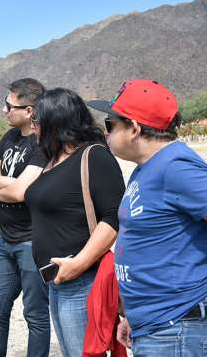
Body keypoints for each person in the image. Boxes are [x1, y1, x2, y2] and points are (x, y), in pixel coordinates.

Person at [0, 88, 125, 357]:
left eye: (37, 121)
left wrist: (79, 263)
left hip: (82, 279)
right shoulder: (52, 158)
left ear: (56, 121)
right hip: (57, 280)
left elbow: (113, 218)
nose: (33, 127)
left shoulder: (94, 155)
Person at [88, 79, 207, 357]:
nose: (105, 133)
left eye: (110, 125)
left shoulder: (175, 167)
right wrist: (132, 316)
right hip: (154, 326)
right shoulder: (147, 167)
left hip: (176, 328)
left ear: (134, 128)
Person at [0, 78, 50, 357]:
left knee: (35, 316)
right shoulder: (10, 138)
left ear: (30, 111)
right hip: (5, 242)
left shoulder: (42, 143)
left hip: (32, 244)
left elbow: (21, 193)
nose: (3, 109)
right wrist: (8, 184)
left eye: (9, 105)